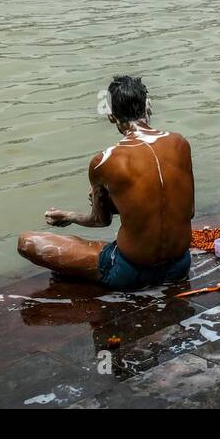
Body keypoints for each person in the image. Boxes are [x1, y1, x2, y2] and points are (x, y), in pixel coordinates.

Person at [17, 75, 194, 290]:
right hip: (179, 266)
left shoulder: (103, 162)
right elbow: (188, 211)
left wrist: (69, 216)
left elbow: (100, 221)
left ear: (111, 116)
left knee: (27, 242)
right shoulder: (180, 144)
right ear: (148, 106)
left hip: (130, 272)